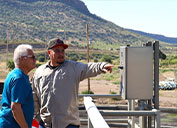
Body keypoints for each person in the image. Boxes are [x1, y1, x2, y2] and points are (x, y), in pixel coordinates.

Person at [32, 38, 113, 128]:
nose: (61, 54)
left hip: (68, 124)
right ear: (49, 53)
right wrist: (38, 118)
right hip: (45, 124)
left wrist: (102, 66)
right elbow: (34, 96)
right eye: (57, 51)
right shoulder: (39, 72)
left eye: (62, 51)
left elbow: (88, 68)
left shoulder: (73, 68)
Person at [0, 44, 36, 128]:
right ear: (22, 59)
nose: (35, 60)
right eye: (32, 57)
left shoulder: (13, 74)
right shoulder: (19, 78)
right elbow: (15, 107)